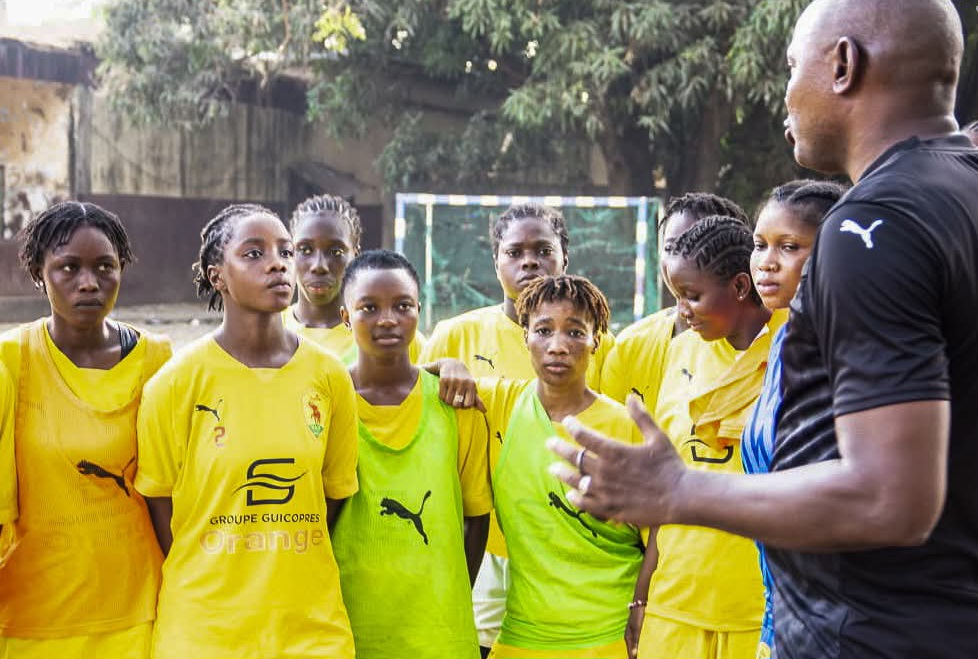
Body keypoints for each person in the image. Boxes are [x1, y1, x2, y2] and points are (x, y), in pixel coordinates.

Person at [549, 1, 978, 658]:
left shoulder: (874, 228)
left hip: (873, 636)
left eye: (789, 65)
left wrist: (678, 488)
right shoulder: (956, 189)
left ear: (843, 64)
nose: (783, 93)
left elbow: (893, 497)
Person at [135, 204, 359, 659]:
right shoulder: (175, 384)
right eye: (254, 253)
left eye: (283, 251)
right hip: (206, 631)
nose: (277, 263)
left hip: (311, 628)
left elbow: (333, 495)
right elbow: (160, 506)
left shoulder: (329, 377)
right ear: (217, 276)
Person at [420, 203, 614, 655]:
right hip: (484, 540)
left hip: (568, 541)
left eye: (543, 249)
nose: (530, 261)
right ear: (496, 261)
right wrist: (440, 365)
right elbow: (412, 392)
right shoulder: (456, 335)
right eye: (515, 252)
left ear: (564, 257)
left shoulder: (599, 344)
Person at [438, 275, 644, 659]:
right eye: (544, 330)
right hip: (523, 632)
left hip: (607, 634)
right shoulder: (498, 403)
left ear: (596, 339)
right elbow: (416, 382)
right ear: (525, 337)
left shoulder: (626, 426)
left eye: (575, 332)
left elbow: (658, 535)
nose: (558, 346)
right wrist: (447, 364)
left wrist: (641, 605)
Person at [0, 201, 171, 658]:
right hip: (33, 616)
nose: (89, 282)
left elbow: (173, 492)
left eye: (105, 267)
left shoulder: (158, 361)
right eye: (68, 268)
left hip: (138, 612)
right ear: (39, 273)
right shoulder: (11, 362)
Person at [631, 217, 785, 659]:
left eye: (692, 296)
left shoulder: (796, 350)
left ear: (739, 286)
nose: (681, 310)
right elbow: (668, 482)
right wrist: (643, 596)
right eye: (678, 296)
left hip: (758, 611)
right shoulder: (681, 351)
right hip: (675, 606)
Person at [330, 250, 492, 659]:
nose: (388, 319)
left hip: (439, 631)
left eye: (402, 306)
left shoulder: (454, 404)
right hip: (349, 626)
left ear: (420, 311)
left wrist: (449, 594)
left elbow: (476, 516)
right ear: (346, 316)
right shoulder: (328, 402)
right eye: (369, 307)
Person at [742, 179, 847, 658]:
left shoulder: (841, 345)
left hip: (834, 611)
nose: (766, 261)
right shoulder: (786, 340)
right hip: (781, 605)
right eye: (760, 245)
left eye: (790, 247)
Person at [601, 193, 749, 411]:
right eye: (671, 247)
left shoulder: (764, 349)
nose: (680, 260)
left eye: (699, 248)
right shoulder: (630, 347)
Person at [285, 194, 424, 364]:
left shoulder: (395, 336)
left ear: (355, 256)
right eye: (305, 250)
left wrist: (447, 366)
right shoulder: (271, 331)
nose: (319, 266)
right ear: (290, 254)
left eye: (336, 252)